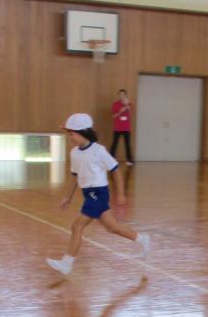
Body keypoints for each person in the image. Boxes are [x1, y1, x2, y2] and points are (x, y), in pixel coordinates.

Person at [46, 113, 150, 276]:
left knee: (77, 226)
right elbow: (75, 176)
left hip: (99, 193)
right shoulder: (74, 153)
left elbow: (116, 171)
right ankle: (142, 239)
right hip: (88, 194)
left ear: (83, 132)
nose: (70, 137)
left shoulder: (99, 151)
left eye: (72, 133)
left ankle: (66, 263)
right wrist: (68, 196)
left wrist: (121, 194)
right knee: (112, 227)